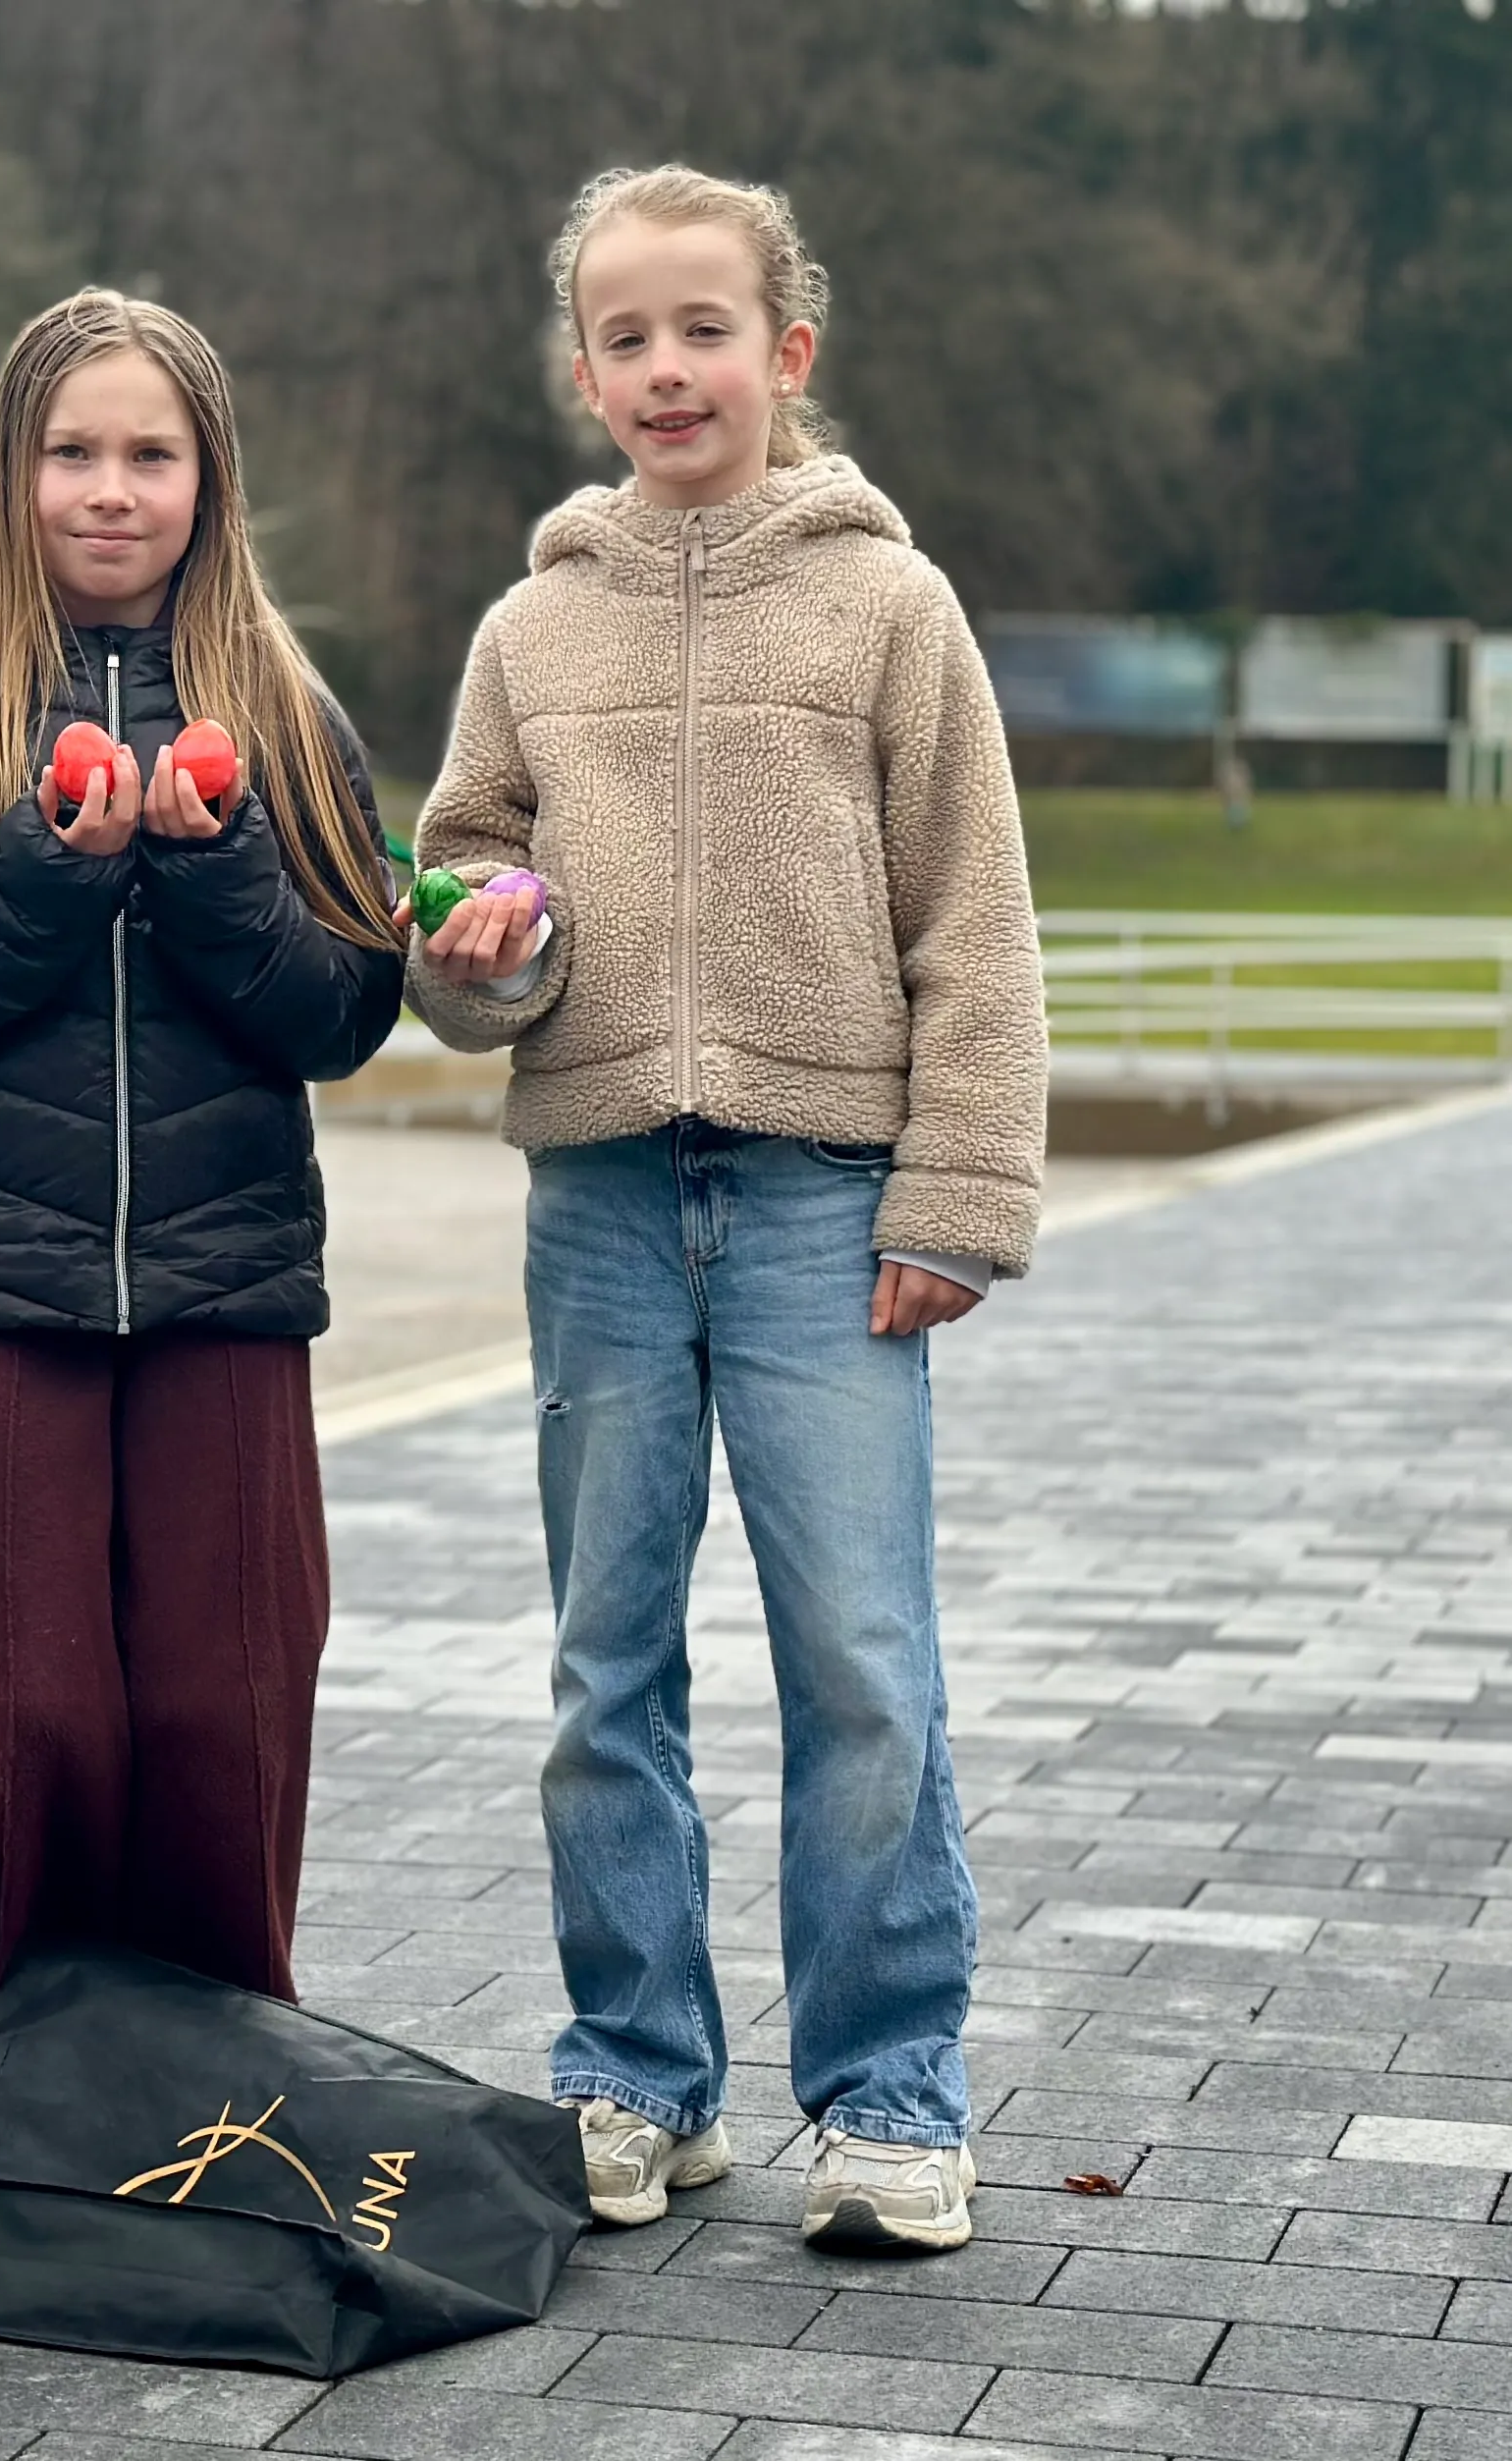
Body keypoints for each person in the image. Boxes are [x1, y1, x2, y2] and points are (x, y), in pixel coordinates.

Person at [408, 166, 1048, 2253]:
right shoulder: (533, 625)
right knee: (609, 1660)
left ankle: (888, 2094)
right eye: (625, 334)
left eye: (705, 329)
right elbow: (455, 896)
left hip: (822, 1200)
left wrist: (955, 1189)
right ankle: (634, 2077)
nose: (665, 367)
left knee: (861, 1658)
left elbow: (977, 921)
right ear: (583, 369)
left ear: (786, 354)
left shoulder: (888, 606)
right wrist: (482, 952)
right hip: (596, 1193)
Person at [0, 290, 409, 2162]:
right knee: (16, 1714)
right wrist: (48, 885)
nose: (111, 489)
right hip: (5, 1287)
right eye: (76, 451)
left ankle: (220, 2114)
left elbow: (343, 1006)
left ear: (208, 479)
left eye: (152, 453)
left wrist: (212, 867)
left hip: (230, 1289)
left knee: (227, 1711)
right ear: (15, 468)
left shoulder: (284, 712)